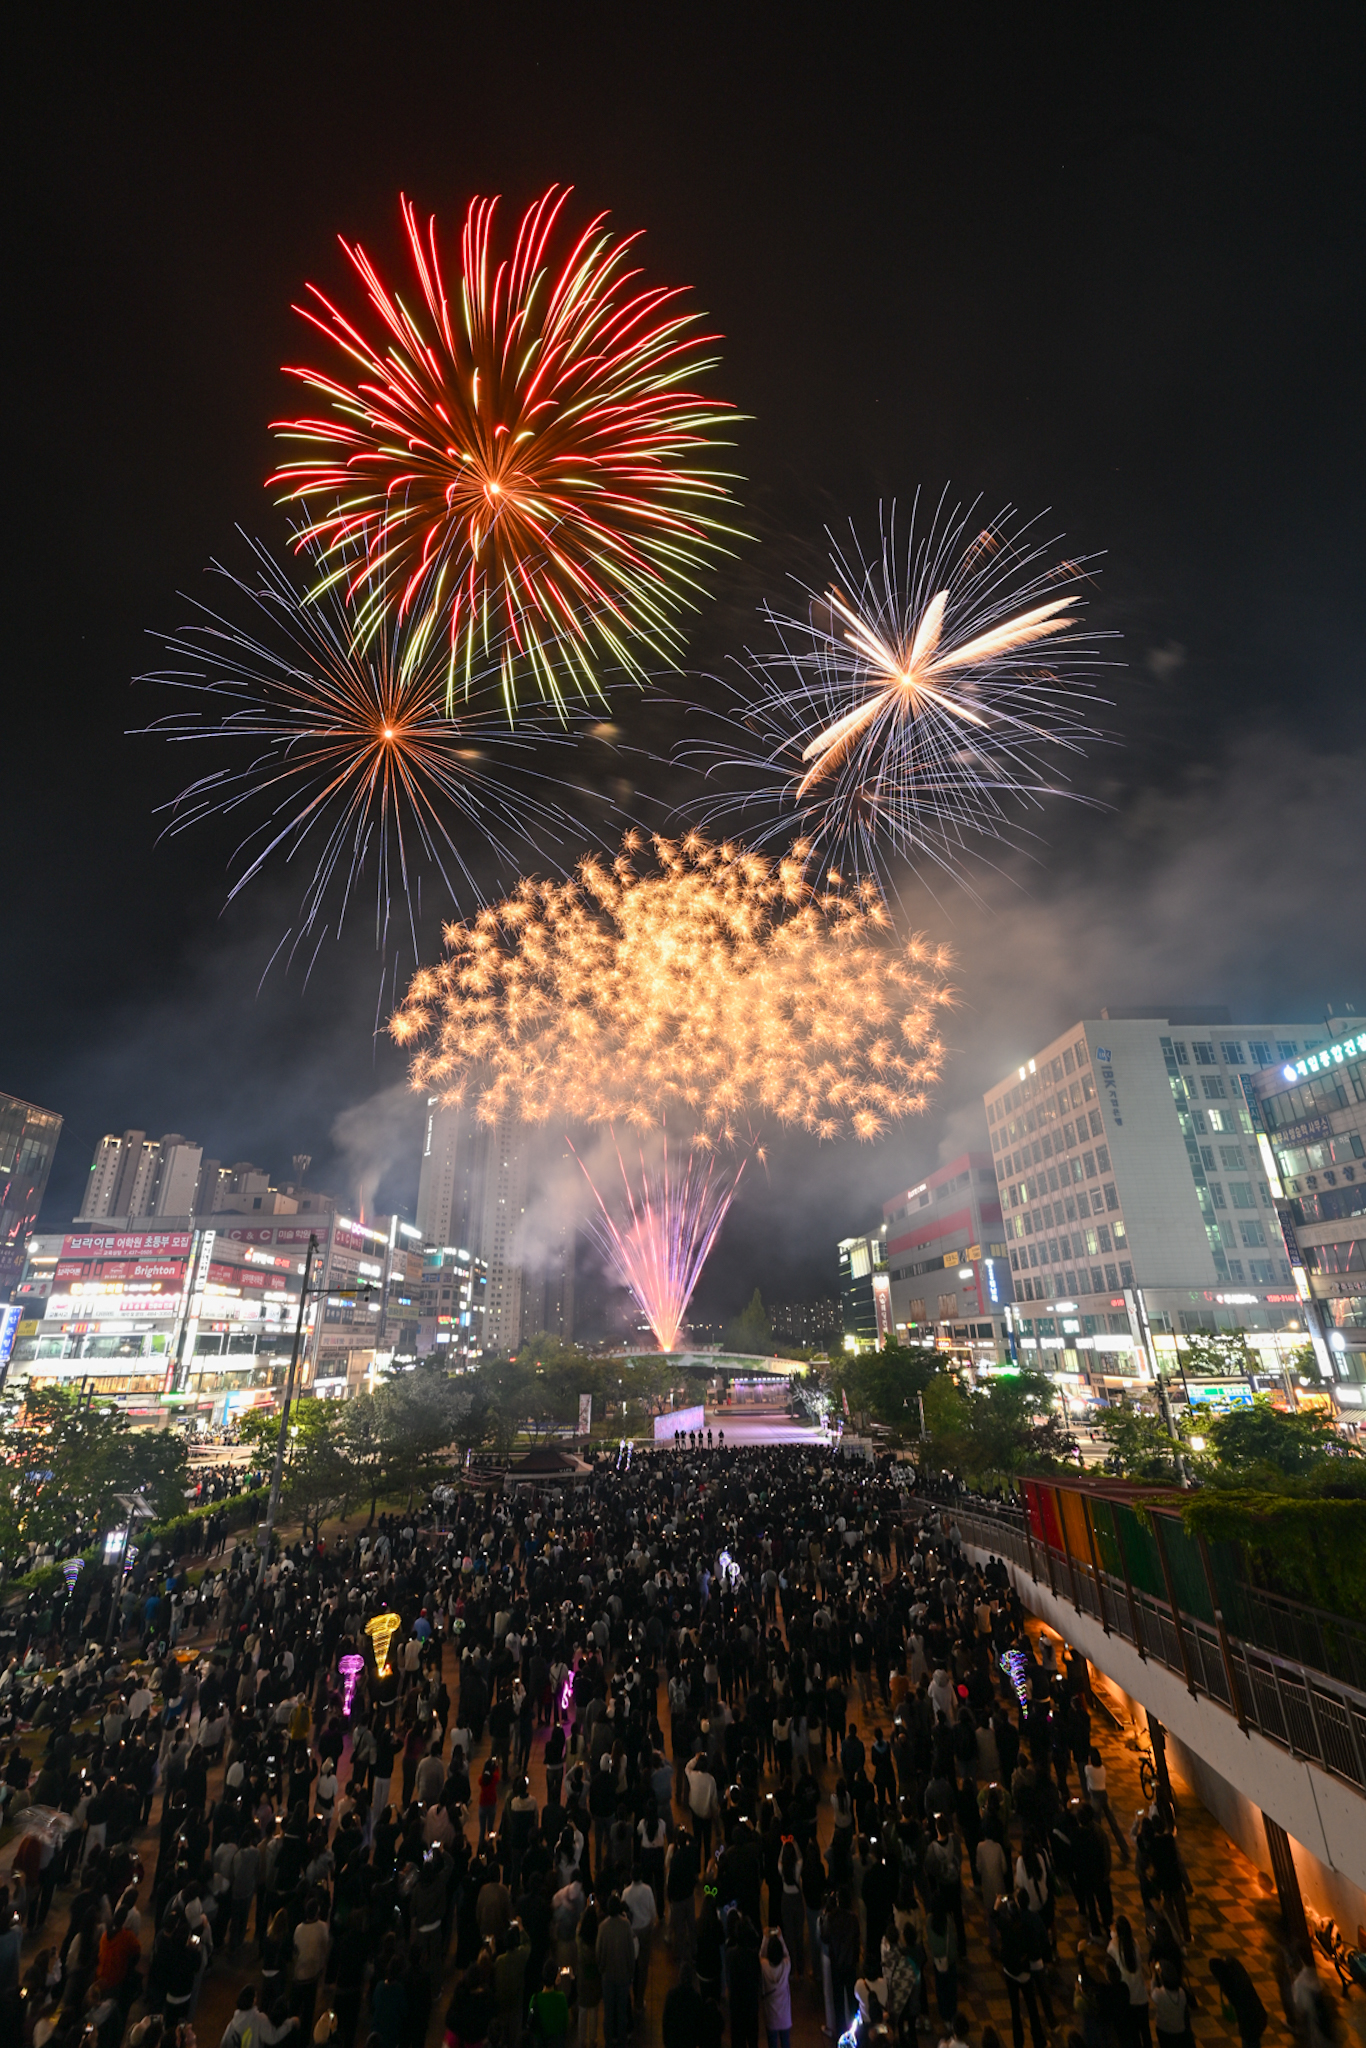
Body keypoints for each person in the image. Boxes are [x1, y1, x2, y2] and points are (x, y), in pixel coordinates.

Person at [596, 1894, 636, 2048]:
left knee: (608, 2012)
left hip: (607, 1976)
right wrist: (631, 1971)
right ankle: (621, 2042)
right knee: (622, 2012)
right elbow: (630, 1951)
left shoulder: (603, 1927)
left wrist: (601, 1968)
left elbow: (598, 1952)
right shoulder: (625, 1925)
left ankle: (608, 2042)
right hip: (623, 1975)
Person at [1208, 1959, 1266, 2048]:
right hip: (1257, 2015)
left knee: (1250, 2043)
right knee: (1253, 2042)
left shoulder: (1232, 1987)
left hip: (1249, 2022)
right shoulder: (1236, 1972)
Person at [727, 1916, 764, 2048]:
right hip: (750, 2003)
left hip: (736, 2005)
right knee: (753, 2039)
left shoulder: (730, 1955)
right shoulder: (753, 1956)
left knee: (738, 2040)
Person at [1150, 1960, 1196, 2048]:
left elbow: (1152, 1992)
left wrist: (1153, 1975)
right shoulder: (1181, 1992)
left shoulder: (1159, 1994)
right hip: (1179, 2029)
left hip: (1163, 2029)